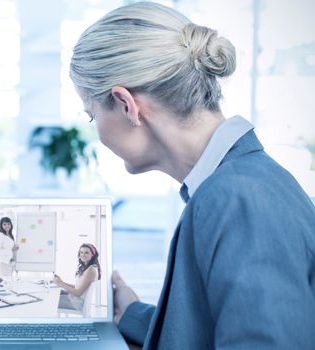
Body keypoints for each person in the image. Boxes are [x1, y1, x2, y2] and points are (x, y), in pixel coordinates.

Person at [69, 2, 315, 348]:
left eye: (92, 116)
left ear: (127, 105)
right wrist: (134, 316)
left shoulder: (237, 200)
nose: (97, 133)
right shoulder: (239, 184)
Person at [53, 243, 101, 314]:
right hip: (75, 299)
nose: (83, 255)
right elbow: (77, 287)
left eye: (86, 253)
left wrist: (60, 284)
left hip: (77, 303)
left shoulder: (91, 270)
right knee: (54, 293)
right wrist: (61, 282)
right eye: (81, 252)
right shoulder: (88, 267)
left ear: (92, 254)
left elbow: (78, 293)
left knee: (50, 299)